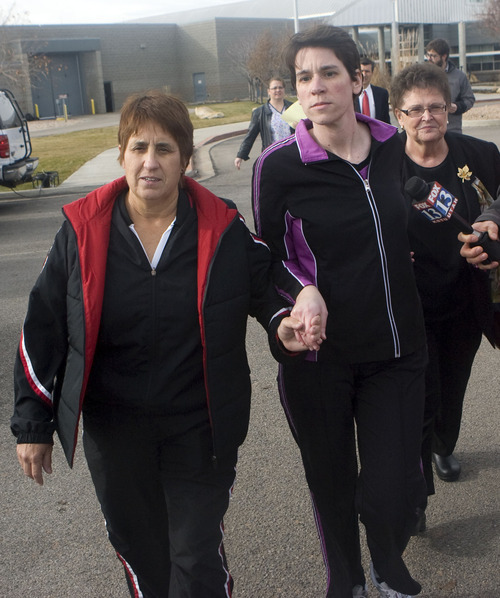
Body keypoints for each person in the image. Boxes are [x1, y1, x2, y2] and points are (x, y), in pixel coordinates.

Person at [12, 90, 321, 598]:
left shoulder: (221, 226)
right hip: (116, 434)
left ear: (185, 160)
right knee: (143, 554)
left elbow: (266, 283)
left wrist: (283, 320)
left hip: (200, 428)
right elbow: (42, 327)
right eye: (138, 148)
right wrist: (32, 422)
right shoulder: (82, 232)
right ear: (121, 155)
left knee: (196, 557)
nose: (150, 162)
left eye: (164, 149)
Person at [252, 25, 428, 598]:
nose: (316, 86)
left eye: (330, 73)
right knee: (330, 482)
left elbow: (440, 207)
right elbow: (266, 258)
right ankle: (346, 580)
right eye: (305, 76)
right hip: (319, 358)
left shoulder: (394, 150)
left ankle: (385, 554)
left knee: (394, 486)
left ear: (358, 78)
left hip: (396, 351)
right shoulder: (279, 166)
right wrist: (299, 291)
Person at [391, 63, 500, 504]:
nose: (426, 117)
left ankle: (444, 445)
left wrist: (492, 219)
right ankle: (417, 496)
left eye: (435, 106)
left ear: (450, 106)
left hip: (467, 300)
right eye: (414, 109)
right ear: (398, 115)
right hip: (408, 302)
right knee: (419, 396)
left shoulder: (481, 154)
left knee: (452, 386)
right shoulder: (381, 168)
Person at [234, 77, 294, 169]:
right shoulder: (260, 112)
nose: (278, 90)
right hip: (272, 157)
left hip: (293, 156)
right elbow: (250, 136)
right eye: (274, 88)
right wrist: (241, 155)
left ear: (284, 89)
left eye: (280, 87)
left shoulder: (293, 108)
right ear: (269, 91)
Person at [425, 38, 475, 134]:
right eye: (428, 55)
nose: (429, 59)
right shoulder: (423, 75)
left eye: (433, 56)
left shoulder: (459, 76)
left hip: (452, 130)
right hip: (429, 129)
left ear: (444, 56)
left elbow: (469, 99)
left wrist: (457, 107)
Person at [355, 57, 391, 124]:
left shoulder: (382, 94)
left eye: (367, 71)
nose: (364, 75)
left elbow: (386, 122)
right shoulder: (351, 94)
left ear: (372, 72)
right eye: (362, 71)